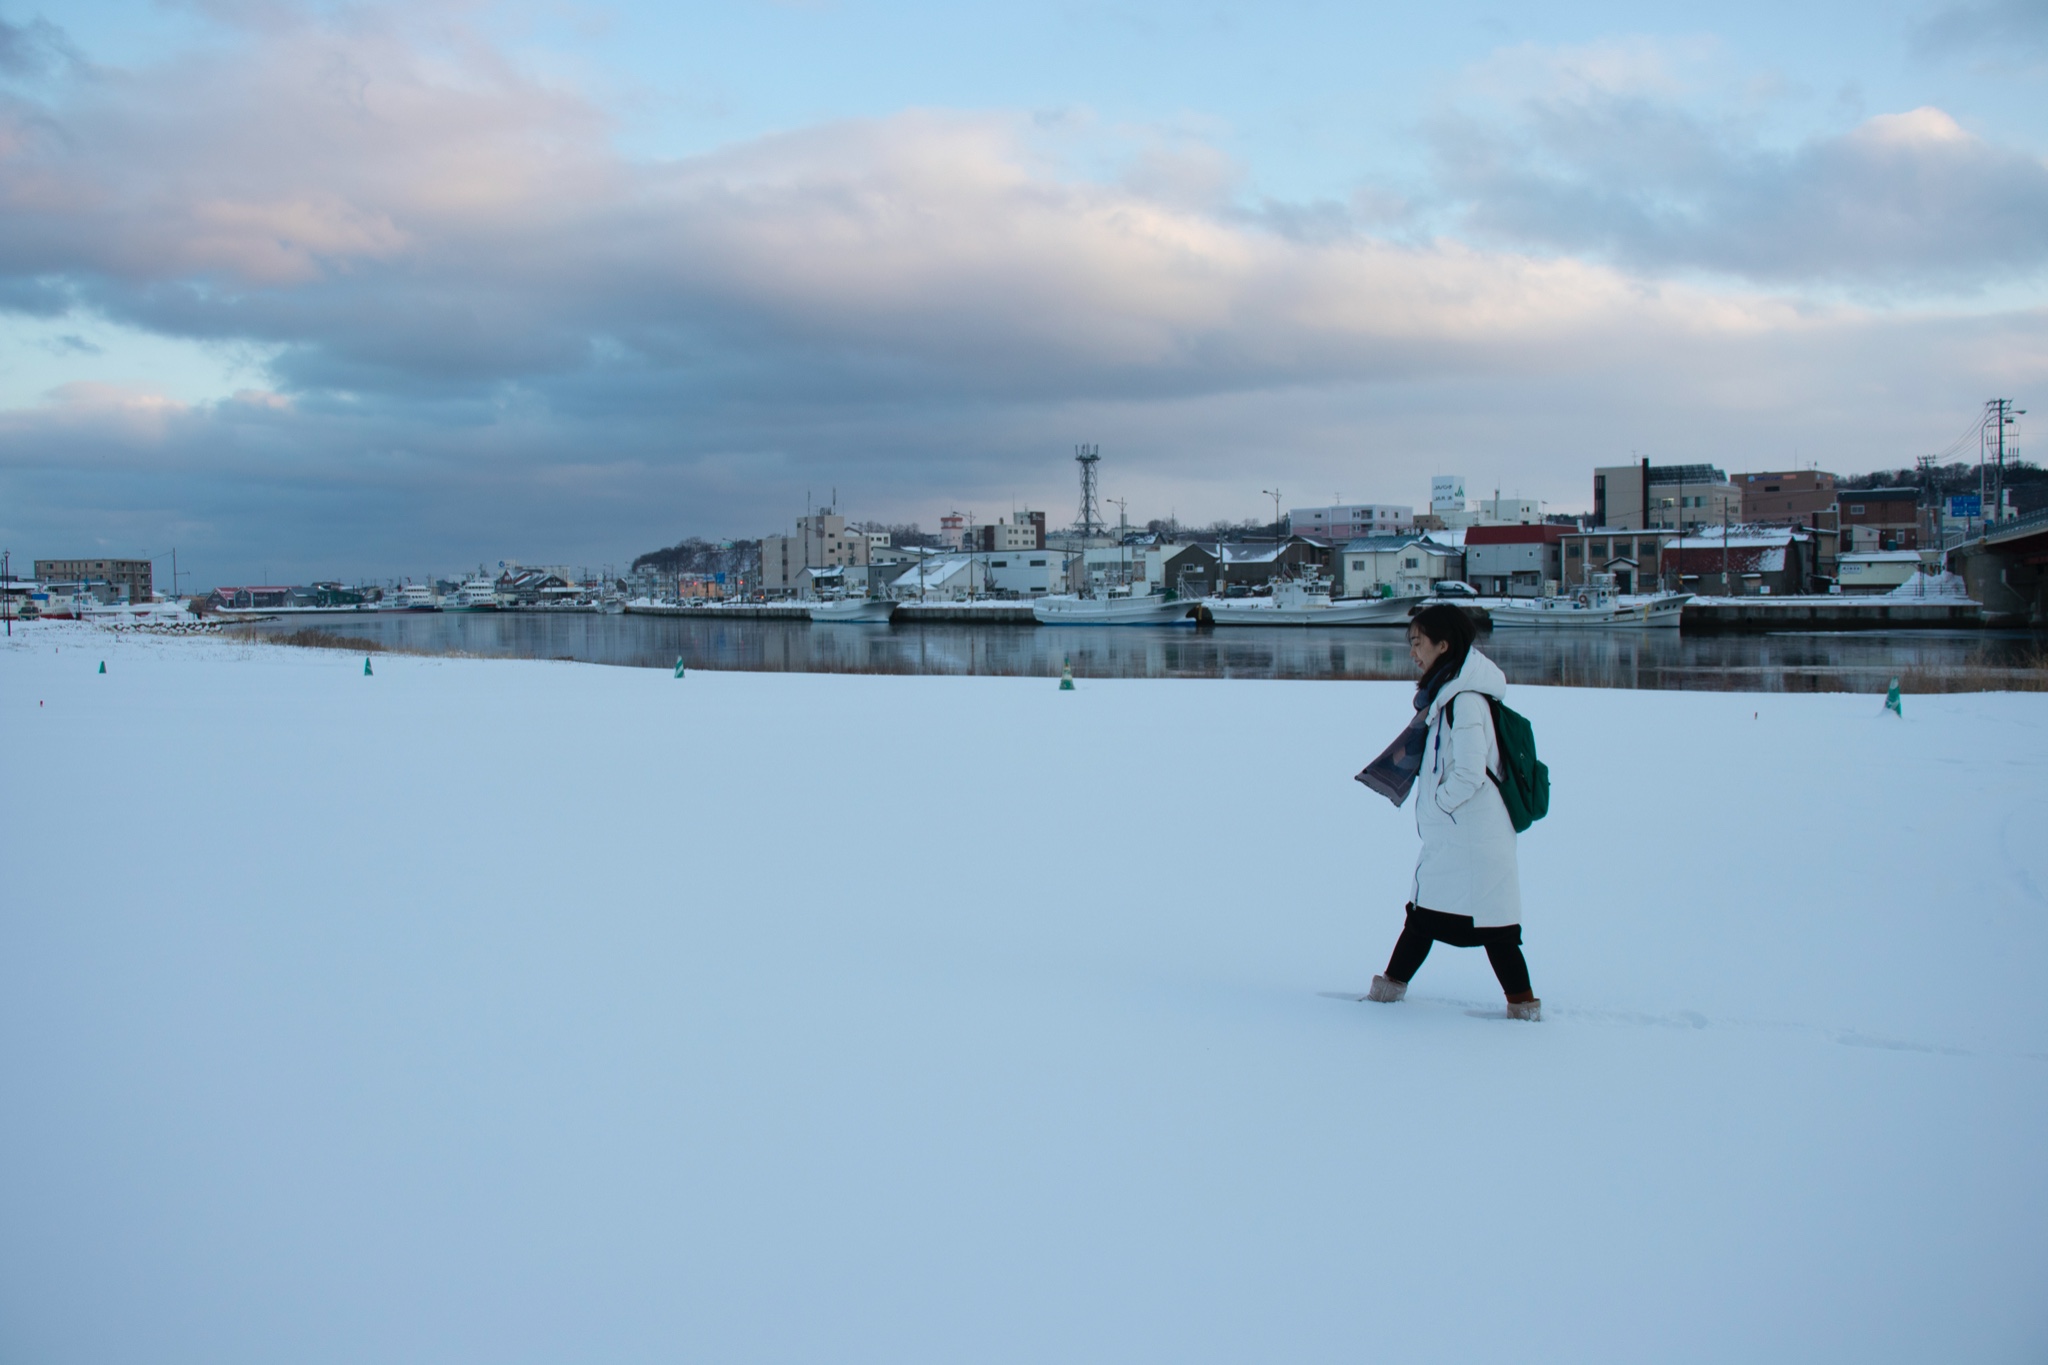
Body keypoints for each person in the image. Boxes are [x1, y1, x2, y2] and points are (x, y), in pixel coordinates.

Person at [1355, 603, 1539, 1020]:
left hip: (1470, 838)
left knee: (1484, 928)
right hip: (1463, 838)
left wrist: (1439, 805)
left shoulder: (1466, 701)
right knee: (1438, 918)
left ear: (1444, 644)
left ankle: (1523, 1009)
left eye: (1418, 643)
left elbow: (1470, 772)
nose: (1413, 652)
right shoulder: (1447, 695)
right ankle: (1520, 1007)